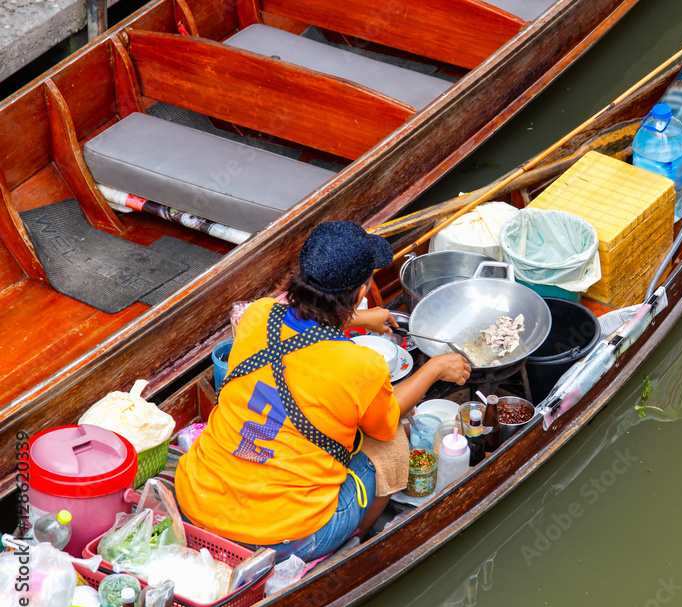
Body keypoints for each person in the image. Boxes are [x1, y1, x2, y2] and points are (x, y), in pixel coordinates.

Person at [175, 221, 470, 561]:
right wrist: (434, 369)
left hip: (196, 504)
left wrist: (358, 318)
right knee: (393, 445)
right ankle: (351, 546)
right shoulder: (360, 365)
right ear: (360, 290)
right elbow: (385, 425)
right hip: (283, 540)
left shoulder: (259, 314)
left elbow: (301, 325)